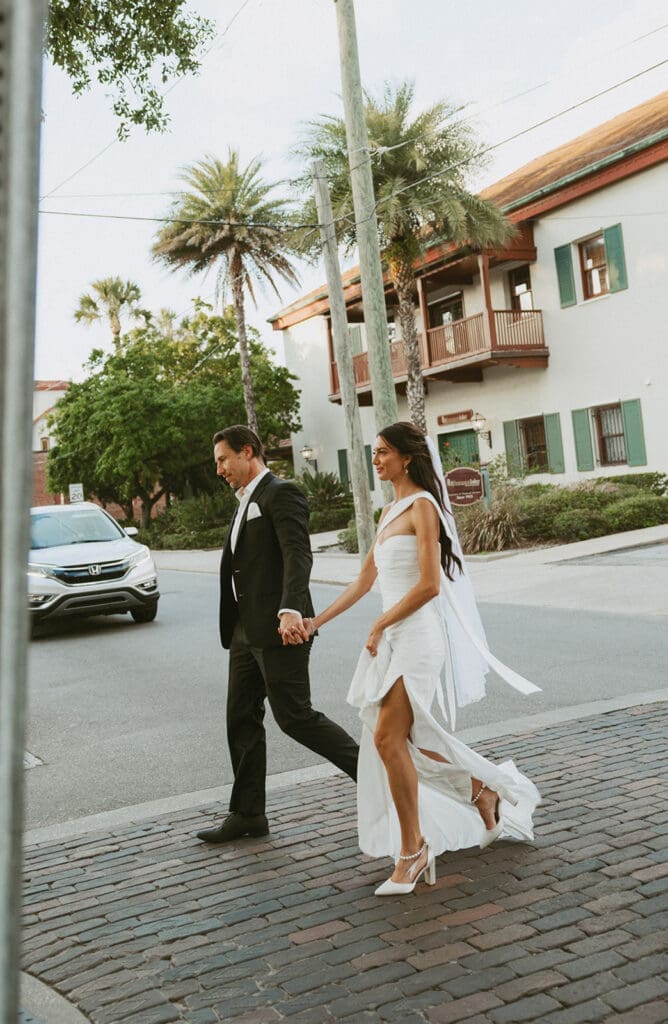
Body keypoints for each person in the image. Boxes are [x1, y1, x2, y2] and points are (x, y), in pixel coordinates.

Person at [306, 422, 541, 895]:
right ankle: (482, 792)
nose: (376, 460)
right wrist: (316, 623)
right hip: (393, 637)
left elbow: (430, 585)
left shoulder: (423, 508)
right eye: (374, 453)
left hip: (417, 638)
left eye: (383, 452)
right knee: (411, 743)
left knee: (388, 739)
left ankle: (413, 850)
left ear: (407, 457)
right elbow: (362, 582)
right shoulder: (389, 511)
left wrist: (379, 623)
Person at [196, 424, 359, 843]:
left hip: (280, 629)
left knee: (296, 718)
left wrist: (290, 609)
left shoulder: (280, 493)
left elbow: (297, 554)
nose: (219, 470)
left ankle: (377, 779)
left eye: (223, 460)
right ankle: (248, 814)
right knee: (240, 718)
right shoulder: (244, 500)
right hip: (244, 633)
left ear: (247, 452)